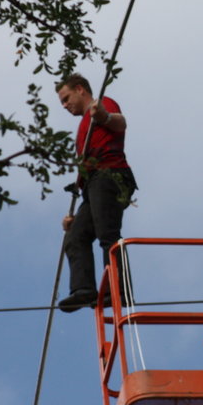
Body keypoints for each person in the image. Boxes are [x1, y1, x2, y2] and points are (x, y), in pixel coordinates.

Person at [56, 74, 137, 312]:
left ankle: (120, 290)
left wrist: (104, 116)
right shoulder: (84, 125)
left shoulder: (101, 104)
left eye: (66, 98)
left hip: (110, 174)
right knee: (75, 236)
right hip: (93, 185)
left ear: (80, 89)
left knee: (107, 233)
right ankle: (83, 290)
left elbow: (120, 123)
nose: (64, 105)